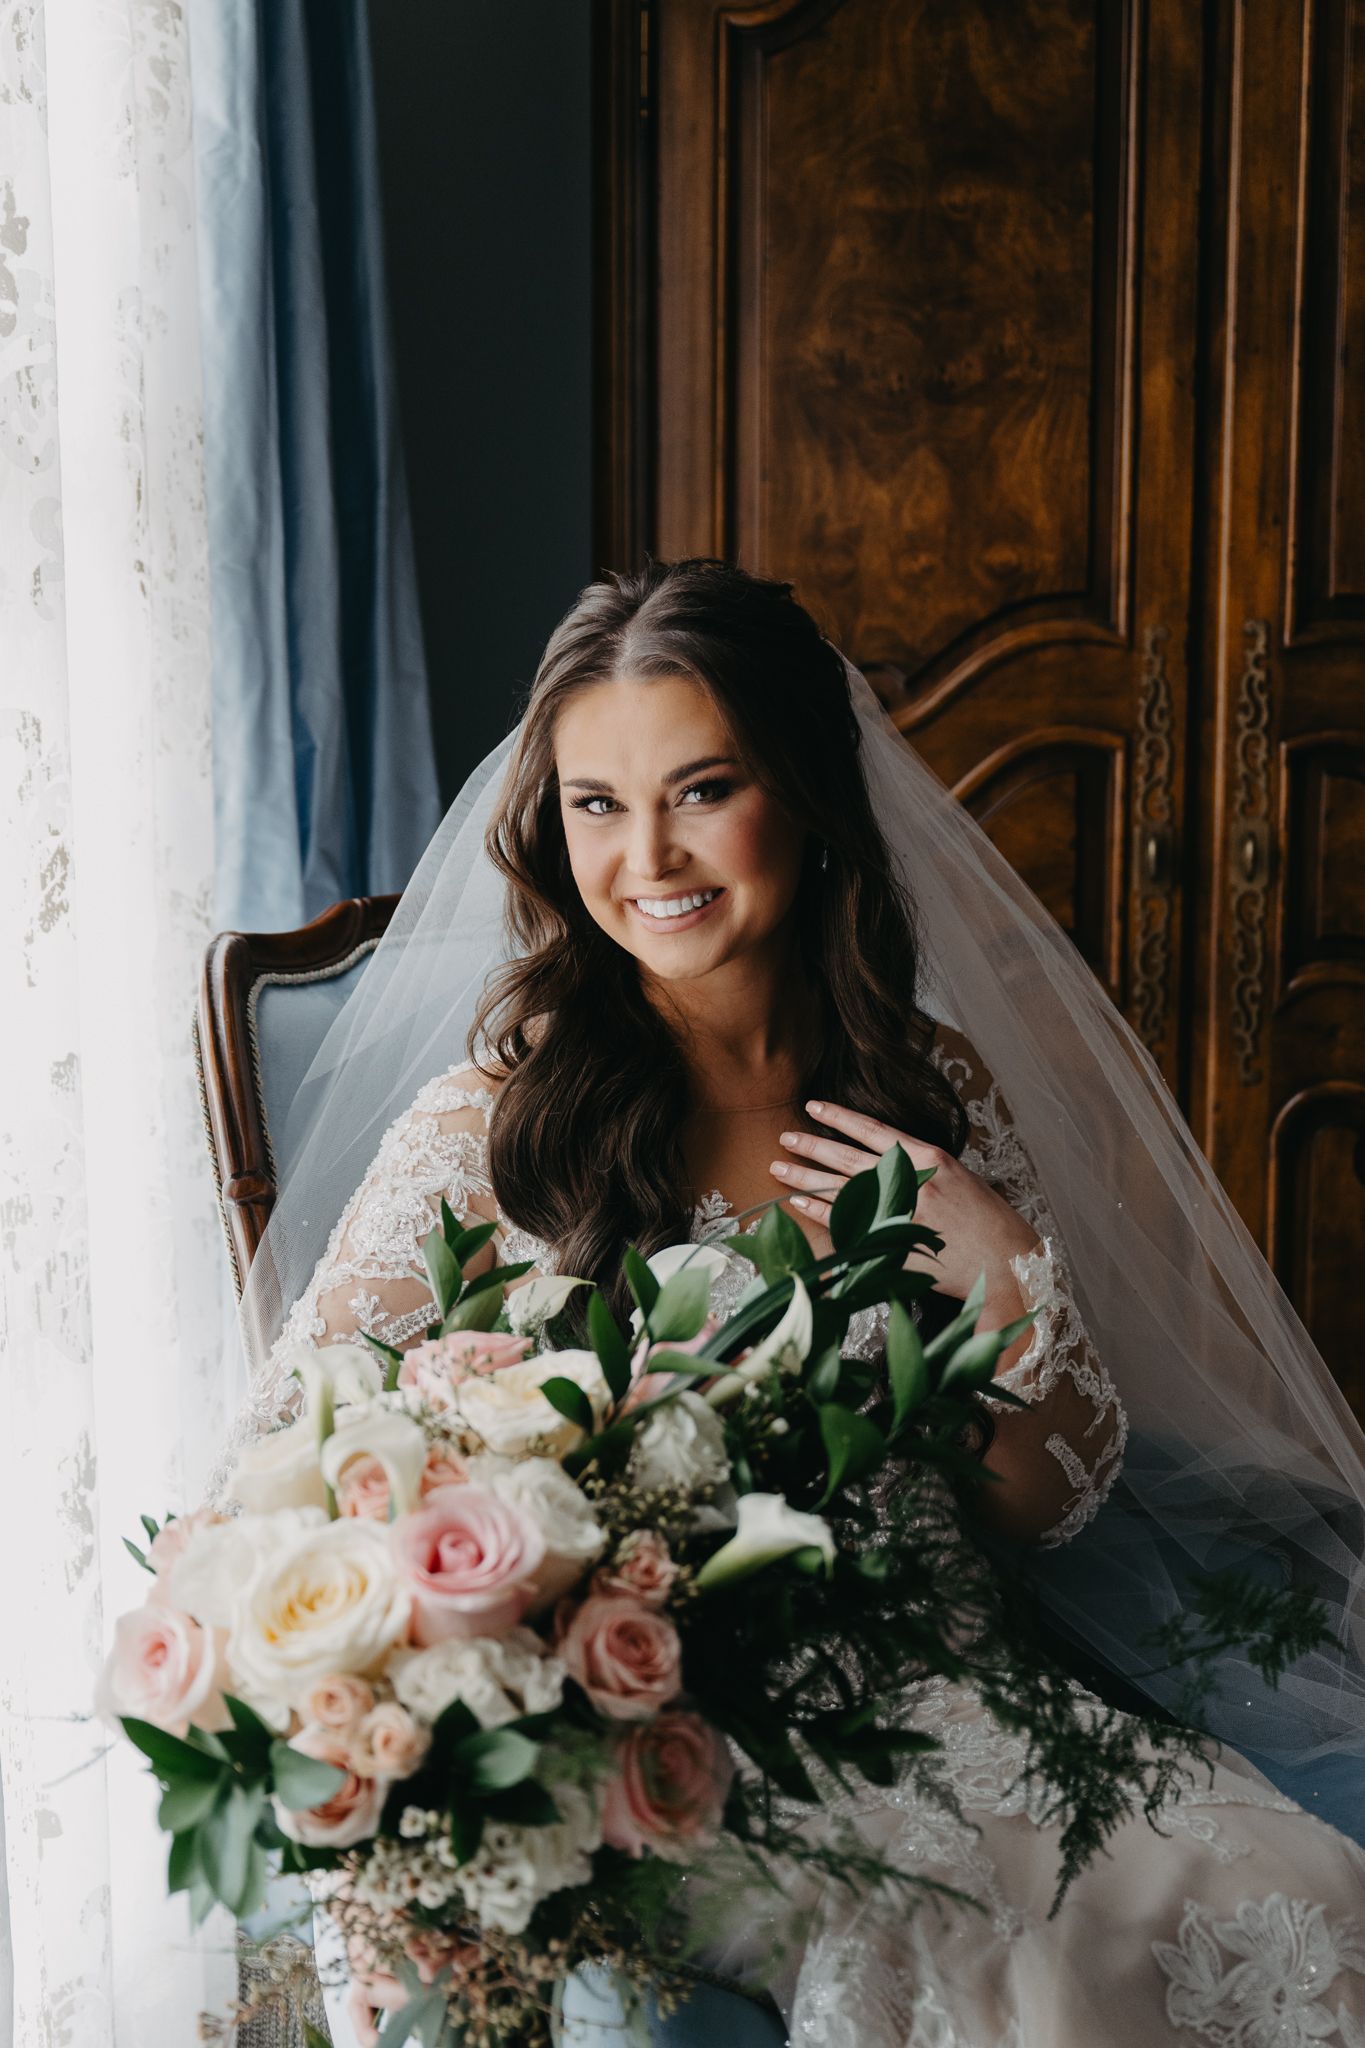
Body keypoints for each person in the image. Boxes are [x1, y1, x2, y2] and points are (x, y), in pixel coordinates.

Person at [236, 559, 1365, 2047]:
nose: (646, 855)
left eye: (702, 788)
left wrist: (1008, 1278)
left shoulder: (928, 1097)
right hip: (656, 1743)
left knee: (1290, 1891)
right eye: (595, 804)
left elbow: (1043, 1505)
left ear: (806, 799)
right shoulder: (488, 1130)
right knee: (961, 1975)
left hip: (942, 1695)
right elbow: (287, 1474)